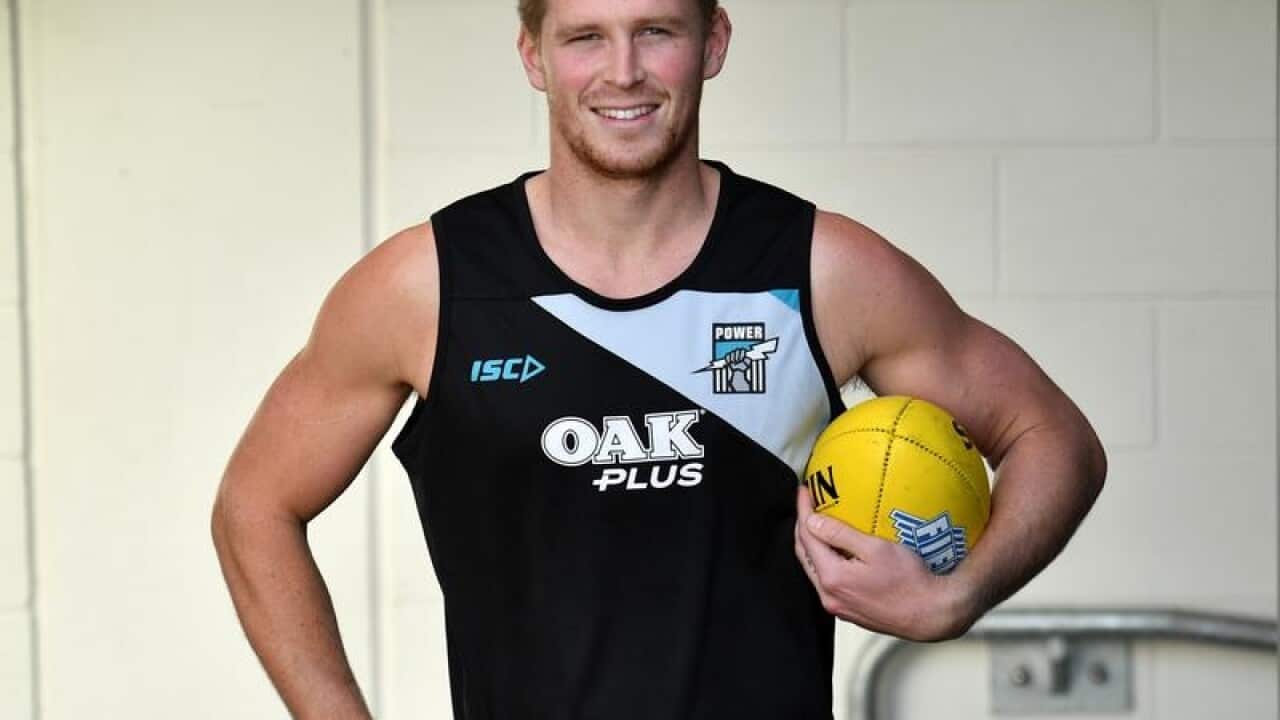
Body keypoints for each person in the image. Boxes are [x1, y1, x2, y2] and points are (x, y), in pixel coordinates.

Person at [210, 0, 1107, 717]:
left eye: (656, 32)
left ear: (712, 41)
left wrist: (962, 596)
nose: (623, 71)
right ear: (533, 56)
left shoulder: (821, 270)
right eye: (585, 37)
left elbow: (1052, 436)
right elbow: (255, 504)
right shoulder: (429, 285)